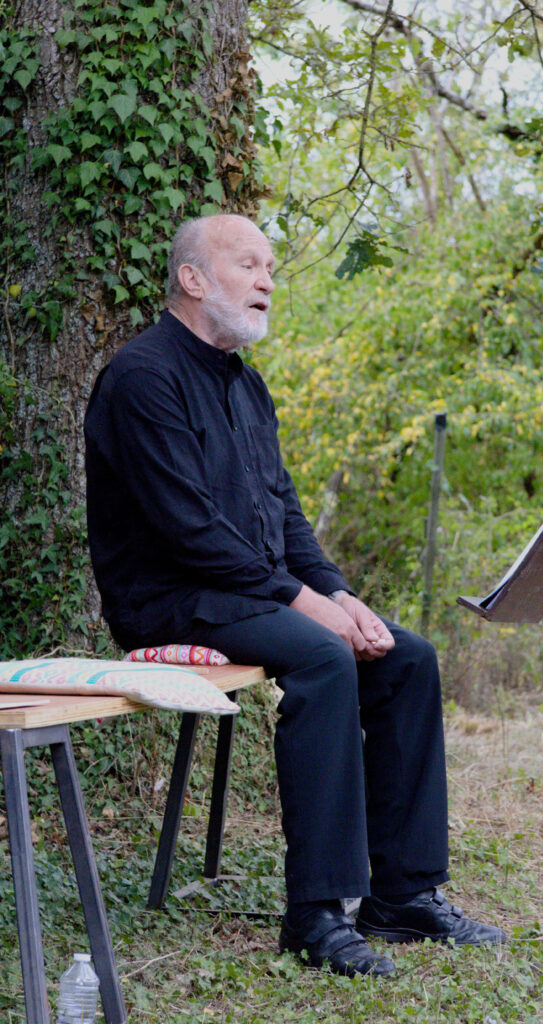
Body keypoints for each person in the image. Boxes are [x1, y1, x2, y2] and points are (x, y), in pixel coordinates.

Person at [84, 214, 506, 977]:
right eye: (249, 264)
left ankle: (404, 897)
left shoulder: (248, 388)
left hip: (247, 593)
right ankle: (315, 914)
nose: (268, 280)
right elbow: (189, 533)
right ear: (192, 279)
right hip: (169, 598)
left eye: (271, 266)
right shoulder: (141, 377)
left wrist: (340, 594)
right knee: (321, 654)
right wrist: (307, 606)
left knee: (407, 657)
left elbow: (284, 514)